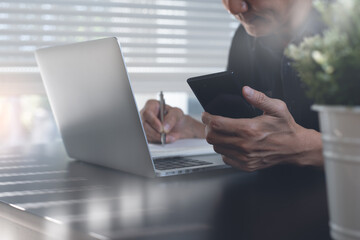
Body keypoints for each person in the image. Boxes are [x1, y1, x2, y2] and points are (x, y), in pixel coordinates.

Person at [140, 0, 326, 172]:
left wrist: (303, 147)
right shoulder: (245, 36)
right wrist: (194, 130)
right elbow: (252, 131)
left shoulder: (352, 29)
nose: (234, 9)